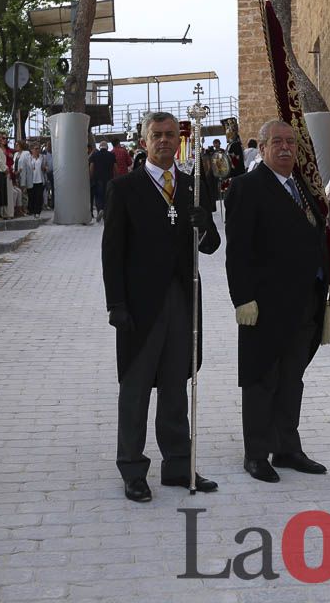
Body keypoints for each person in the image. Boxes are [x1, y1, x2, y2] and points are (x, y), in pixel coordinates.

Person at [102, 111, 221, 503]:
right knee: (135, 389)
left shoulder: (193, 186)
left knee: (175, 387)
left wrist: (204, 224)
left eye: (172, 134)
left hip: (182, 302)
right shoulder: (125, 188)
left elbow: (210, 244)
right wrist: (116, 303)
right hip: (140, 305)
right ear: (144, 141)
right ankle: (133, 469)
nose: (165, 141)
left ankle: (177, 465)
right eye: (157, 135)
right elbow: (112, 253)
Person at [225, 120, 330, 483]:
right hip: (264, 305)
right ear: (264, 148)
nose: (285, 148)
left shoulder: (301, 188)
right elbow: (237, 250)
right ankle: (256, 453)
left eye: (291, 143)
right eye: (277, 142)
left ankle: (287, 447)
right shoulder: (246, 187)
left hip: (304, 304)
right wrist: (242, 298)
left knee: (291, 380)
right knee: (261, 379)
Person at [89, 141, 117, 220]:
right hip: (109, 178)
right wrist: (116, 177)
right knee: (107, 196)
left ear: (100, 147)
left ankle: (100, 210)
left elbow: (91, 167)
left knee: (98, 196)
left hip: (97, 179)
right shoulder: (111, 155)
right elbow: (115, 168)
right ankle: (106, 212)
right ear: (107, 147)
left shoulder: (95, 155)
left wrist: (91, 177)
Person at [27, 143, 48, 217]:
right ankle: (32, 210)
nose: (37, 150)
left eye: (38, 148)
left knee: (39, 197)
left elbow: (46, 166)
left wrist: (45, 168)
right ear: (31, 150)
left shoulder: (43, 157)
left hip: (40, 179)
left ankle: (37, 212)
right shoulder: (29, 158)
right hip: (31, 180)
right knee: (32, 196)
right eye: (35, 149)